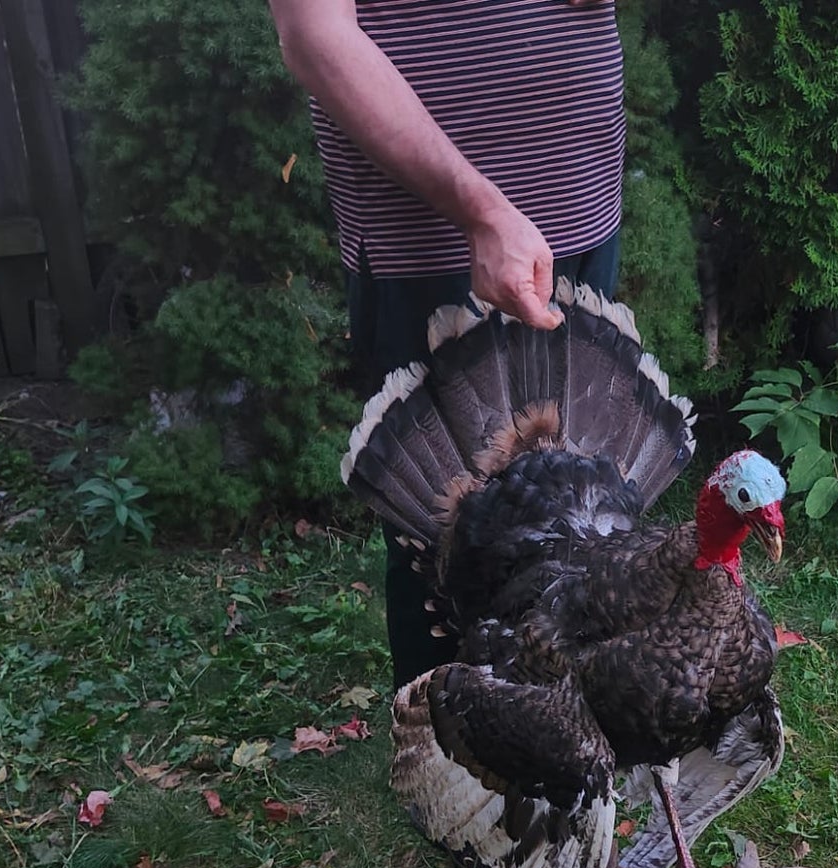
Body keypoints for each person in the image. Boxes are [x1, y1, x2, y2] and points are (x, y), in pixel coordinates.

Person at [267, 0, 626, 685]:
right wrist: (482, 213)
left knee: (581, 510)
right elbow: (314, 35)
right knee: (445, 534)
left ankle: (569, 738)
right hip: (435, 239)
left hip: (581, 207)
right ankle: (450, 768)